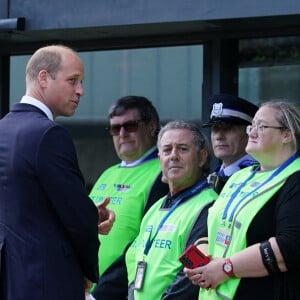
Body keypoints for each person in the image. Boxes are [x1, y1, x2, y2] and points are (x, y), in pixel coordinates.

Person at [0, 45, 114, 300]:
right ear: (43, 78)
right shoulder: (49, 134)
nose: (80, 91)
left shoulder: (2, 129)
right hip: (48, 281)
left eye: (81, 82)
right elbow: (76, 218)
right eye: (72, 80)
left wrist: (88, 214)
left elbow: (23, 206)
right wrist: (87, 272)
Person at [185, 100, 300, 299]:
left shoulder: (295, 178)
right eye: (251, 126)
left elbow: (290, 246)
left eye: (261, 127)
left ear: (286, 135)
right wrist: (201, 265)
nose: (251, 132)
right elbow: (210, 228)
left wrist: (226, 268)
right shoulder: (240, 176)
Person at [125, 120, 218, 299]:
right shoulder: (155, 208)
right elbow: (135, 262)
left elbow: (191, 276)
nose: (173, 156)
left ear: (202, 157)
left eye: (183, 149)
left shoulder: (208, 207)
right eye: (167, 150)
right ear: (160, 159)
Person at [89, 96, 169, 300]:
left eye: (130, 126)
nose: (122, 134)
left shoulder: (164, 174)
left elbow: (144, 244)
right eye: (115, 129)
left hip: (118, 293)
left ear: (152, 127)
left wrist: (103, 293)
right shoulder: (107, 173)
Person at [202, 94, 258, 193]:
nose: (219, 136)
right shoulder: (212, 177)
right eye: (215, 129)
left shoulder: (258, 173)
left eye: (228, 128)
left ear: (248, 131)